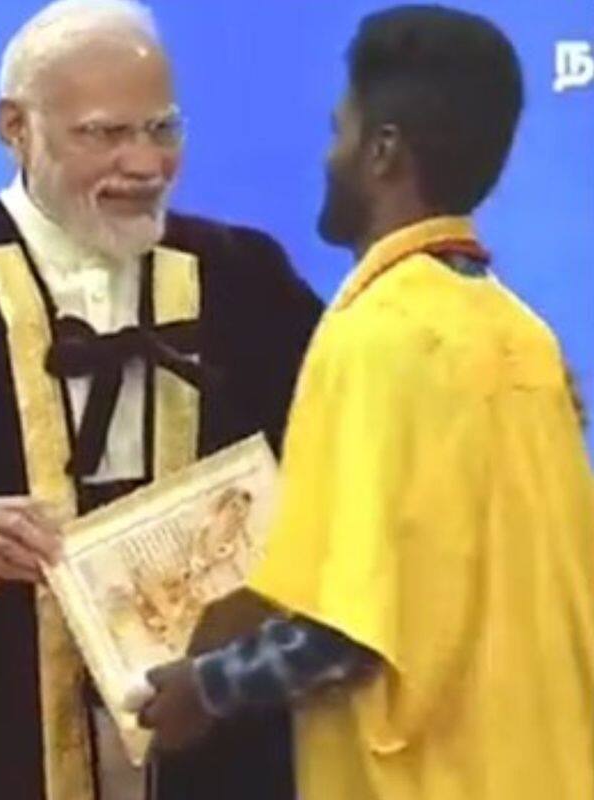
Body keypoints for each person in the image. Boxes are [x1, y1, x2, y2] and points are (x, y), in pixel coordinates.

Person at [0, 1, 322, 799]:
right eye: (104, 134)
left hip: (217, 752)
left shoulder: (245, 275)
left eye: (163, 129)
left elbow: (345, 466)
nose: (145, 164)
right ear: (14, 126)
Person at [139, 6, 594, 800]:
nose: (328, 153)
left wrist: (202, 688)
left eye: (337, 129)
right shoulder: (527, 339)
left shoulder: (376, 333)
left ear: (382, 151)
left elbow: (344, 632)